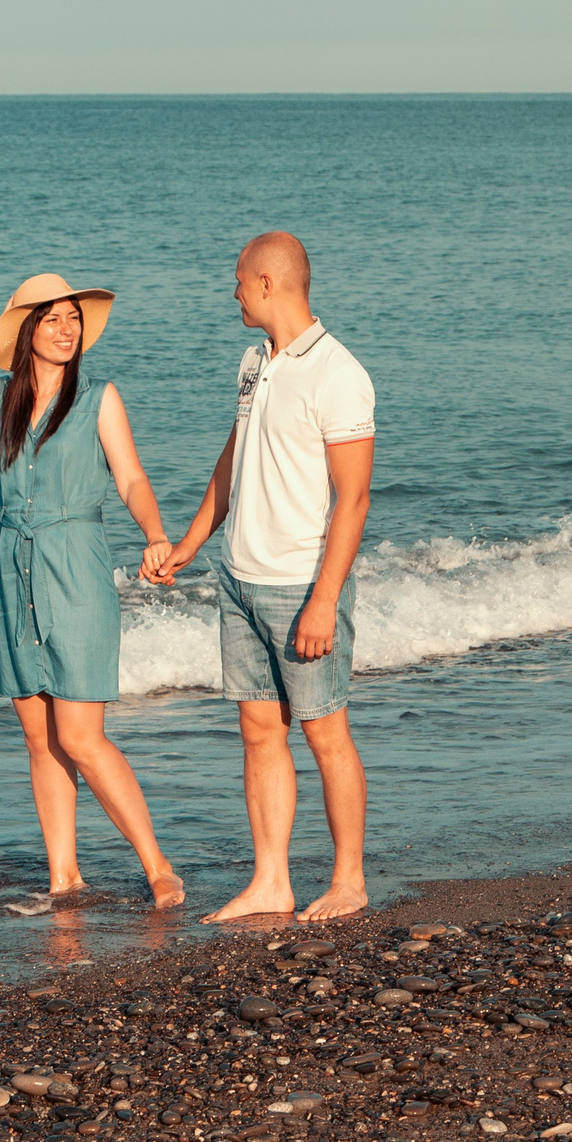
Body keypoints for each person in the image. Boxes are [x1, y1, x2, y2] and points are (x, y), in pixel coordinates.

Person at [0, 273, 188, 910]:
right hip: (14, 568)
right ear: (26, 329)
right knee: (39, 738)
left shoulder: (98, 398)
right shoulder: (0, 397)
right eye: (51, 319)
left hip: (76, 566)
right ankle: (64, 876)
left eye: (73, 318)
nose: (66, 330)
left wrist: (155, 533)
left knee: (82, 736)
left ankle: (158, 866)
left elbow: (131, 477)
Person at [155, 232, 375, 924]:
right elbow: (235, 455)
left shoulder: (338, 373)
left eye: (239, 280)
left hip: (300, 584)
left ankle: (349, 880)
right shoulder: (254, 361)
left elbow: (354, 499)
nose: (234, 292)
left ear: (269, 283)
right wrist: (192, 542)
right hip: (238, 578)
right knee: (258, 732)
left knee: (325, 734)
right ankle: (271, 881)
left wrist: (324, 599)